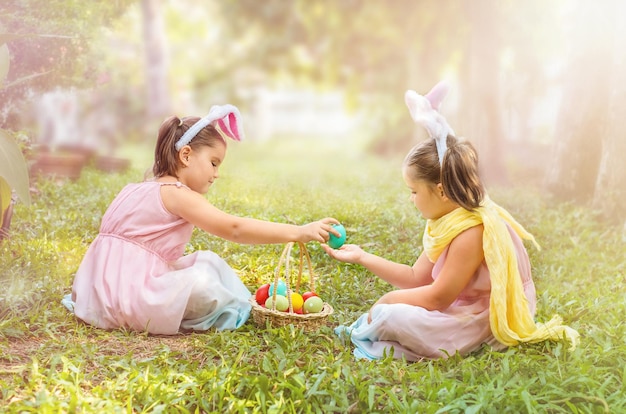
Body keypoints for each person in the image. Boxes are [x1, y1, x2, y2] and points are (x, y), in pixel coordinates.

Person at [323, 83, 579, 360]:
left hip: (481, 317)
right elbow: (415, 277)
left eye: (414, 191)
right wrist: (362, 257)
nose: (411, 199)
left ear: (442, 191)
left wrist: (387, 301)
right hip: (461, 303)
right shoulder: (451, 218)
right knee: (393, 313)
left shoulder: (472, 231)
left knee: (390, 315)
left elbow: (437, 298)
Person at [64, 105, 339, 335]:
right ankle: (244, 306)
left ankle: (243, 301)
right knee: (204, 282)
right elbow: (235, 229)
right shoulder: (177, 195)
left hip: (97, 289)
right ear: (186, 155)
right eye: (214, 163)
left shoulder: (136, 188)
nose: (216, 173)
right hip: (128, 296)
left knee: (206, 261)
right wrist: (298, 232)